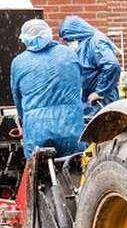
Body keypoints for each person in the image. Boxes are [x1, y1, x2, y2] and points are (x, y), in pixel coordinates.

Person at [10, 19, 86, 158]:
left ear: (25, 39)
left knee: (40, 175)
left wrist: (23, 120)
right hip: (70, 127)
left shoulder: (19, 62)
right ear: (49, 33)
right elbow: (79, 84)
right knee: (76, 171)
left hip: (37, 130)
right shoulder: (69, 54)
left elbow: (17, 97)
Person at [59, 16, 122, 116]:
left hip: (101, 101)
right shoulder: (85, 44)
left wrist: (100, 92)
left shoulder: (96, 42)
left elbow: (112, 65)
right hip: (90, 101)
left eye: (70, 40)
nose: (69, 43)